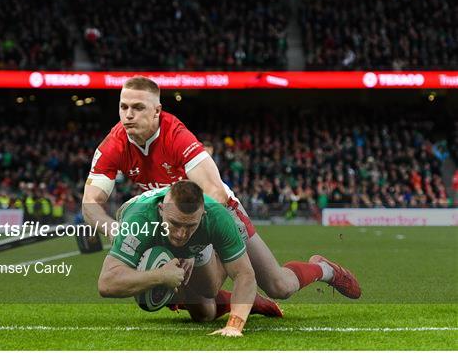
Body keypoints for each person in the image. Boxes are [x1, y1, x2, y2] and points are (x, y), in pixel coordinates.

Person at [83, 76, 360, 310]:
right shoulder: (113, 144)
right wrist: (117, 230)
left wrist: (190, 246)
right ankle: (240, 303)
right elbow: (91, 204)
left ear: (157, 111)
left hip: (218, 210)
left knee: (279, 285)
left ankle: (324, 269)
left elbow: (213, 191)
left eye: (137, 107)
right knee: (196, 303)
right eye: (123, 107)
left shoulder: (176, 136)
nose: (128, 115)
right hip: (174, 218)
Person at [98, 181, 257, 337]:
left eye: (190, 226)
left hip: (197, 243)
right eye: (174, 223)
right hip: (149, 235)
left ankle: (213, 253)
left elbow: (245, 274)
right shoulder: (140, 220)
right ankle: (180, 290)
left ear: (203, 215)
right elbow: (107, 283)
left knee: (209, 296)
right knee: (204, 312)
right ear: (161, 210)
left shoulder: (218, 217)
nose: (181, 234)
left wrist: (234, 327)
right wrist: (161, 276)